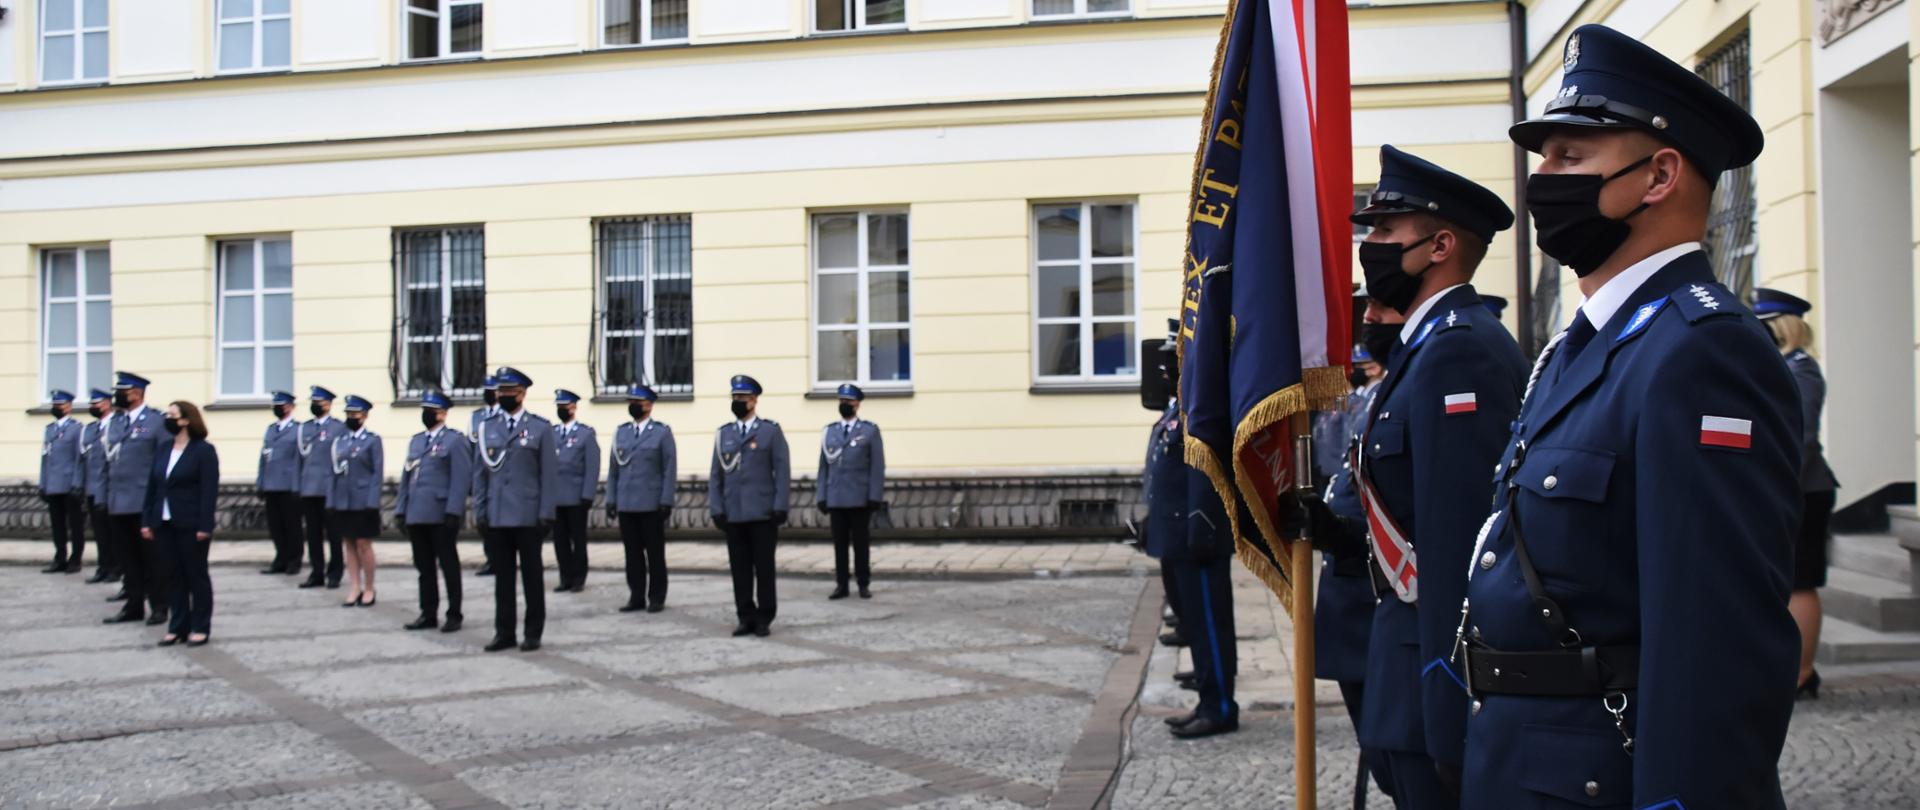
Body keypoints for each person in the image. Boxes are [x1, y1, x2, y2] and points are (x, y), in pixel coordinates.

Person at [1460, 25, 1802, 809]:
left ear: (1660, 175)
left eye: (1570, 156)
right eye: (1544, 157)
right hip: (1521, 763)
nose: (1543, 178)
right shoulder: (1580, 347)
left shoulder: (1703, 350)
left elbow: (1717, 640)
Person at [1294, 145, 1528, 807]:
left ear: (1439, 246)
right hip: (1400, 647)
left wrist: (1448, 696)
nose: (1368, 247)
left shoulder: (1460, 351)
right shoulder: (1425, 348)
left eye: (1384, 231)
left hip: (1434, 665)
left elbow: (1460, 544)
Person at [1302, 294, 1408, 808]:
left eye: (1386, 310)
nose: (1370, 321)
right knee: (1381, 751)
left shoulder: (1394, 393)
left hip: (1378, 586)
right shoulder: (1370, 398)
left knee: (1399, 763)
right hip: (1351, 583)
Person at [1754, 287, 1840, 700]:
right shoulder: (1783, 367)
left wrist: (1775, 486)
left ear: (1782, 328)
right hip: (1789, 487)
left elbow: (1799, 438)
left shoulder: (1802, 370)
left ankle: (1802, 675)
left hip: (1803, 488)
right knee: (1786, 581)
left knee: (1800, 582)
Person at [474, 366, 560, 652]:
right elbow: (480, 474)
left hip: (528, 515)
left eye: (509, 392)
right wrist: (480, 510)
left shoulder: (540, 428)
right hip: (498, 514)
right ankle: (504, 632)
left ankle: (533, 632)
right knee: (503, 580)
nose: (503, 397)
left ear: (522, 394)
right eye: (501, 392)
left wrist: (546, 513)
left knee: (532, 578)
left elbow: (548, 475)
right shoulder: (487, 427)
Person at [710, 374, 790, 638]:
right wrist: (716, 508)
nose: (737, 402)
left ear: (754, 400)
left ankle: (765, 617)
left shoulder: (770, 432)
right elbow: (716, 475)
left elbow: (782, 471)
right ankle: (745, 616)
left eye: (742, 398)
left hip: (762, 513)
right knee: (740, 569)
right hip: (734, 513)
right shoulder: (724, 434)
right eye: (734, 397)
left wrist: (780, 506)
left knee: (764, 569)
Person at [142, 401, 219, 647]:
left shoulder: (203, 451)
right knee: (173, 576)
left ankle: (200, 627)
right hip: (163, 523)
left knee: (196, 576)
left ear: (186, 420)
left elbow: (209, 492)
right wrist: (147, 520)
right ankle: (177, 627)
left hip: (191, 523)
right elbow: (153, 488)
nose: (168, 418)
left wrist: (205, 526)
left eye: (172, 415)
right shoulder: (164, 448)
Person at [396, 391, 473, 633]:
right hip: (417, 512)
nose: (426, 415)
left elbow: (461, 479)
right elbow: (406, 477)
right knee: (424, 567)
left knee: (449, 566)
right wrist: (401, 510)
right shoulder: (416, 441)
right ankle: (428, 612)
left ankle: (454, 613)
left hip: (441, 514)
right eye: (425, 410)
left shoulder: (454, 441)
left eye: (431, 411)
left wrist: (454, 511)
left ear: (443, 414)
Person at [102, 372, 173, 626]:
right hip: (118, 501)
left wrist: (161, 501)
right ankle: (133, 605)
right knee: (127, 559)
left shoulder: (156, 421)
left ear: (136, 393)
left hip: (144, 502)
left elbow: (164, 464)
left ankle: (159, 606)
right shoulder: (116, 422)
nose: (118, 396)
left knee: (152, 559)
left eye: (122, 391)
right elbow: (108, 462)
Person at [607, 383, 677, 613]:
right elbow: (614, 470)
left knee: (655, 554)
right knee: (632, 554)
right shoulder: (621, 432)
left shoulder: (661, 433)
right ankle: (636, 595)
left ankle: (657, 596)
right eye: (631, 402)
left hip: (650, 504)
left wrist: (666, 500)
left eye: (637, 402)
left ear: (649, 405)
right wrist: (611, 499)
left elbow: (669, 469)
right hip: (626, 503)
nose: (633, 406)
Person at [816, 383, 885, 600]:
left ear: (857, 404)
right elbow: (823, 467)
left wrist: (874, 496)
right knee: (840, 545)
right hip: (836, 497)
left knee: (861, 544)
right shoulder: (830, 431)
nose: (844, 404)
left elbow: (877, 466)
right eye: (842, 401)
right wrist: (822, 496)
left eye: (848, 401)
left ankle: (863, 583)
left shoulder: (869, 431)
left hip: (859, 498)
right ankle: (841, 584)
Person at [329, 396, 384, 607]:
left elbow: (376, 473)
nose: (351, 418)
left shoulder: (372, 440)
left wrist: (373, 502)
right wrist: (331, 500)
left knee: (363, 543)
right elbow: (333, 472)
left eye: (355, 414)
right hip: (344, 500)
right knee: (349, 544)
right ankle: (354, 587)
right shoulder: (340, 442)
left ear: (364, 416)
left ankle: (369, 587)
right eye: (349, 414)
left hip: (363, 500)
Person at [550, 389, 601, 593]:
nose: (562, 410)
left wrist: (587, 494)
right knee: (560, 541)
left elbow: (592, 467)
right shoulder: (552, 433)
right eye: (559, 407)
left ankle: (579, 577)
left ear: (573, 408)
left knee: (578, 540)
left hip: (576, 496)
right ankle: (565, 577)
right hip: (556, 497)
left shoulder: (585, 434)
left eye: (565, 406)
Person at [295, 386, 346, 589]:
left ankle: (335, 573)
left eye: (319, 403)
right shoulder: (304, 428)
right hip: (309, 488)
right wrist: (297, 487)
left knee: (334, 534)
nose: (315, 406)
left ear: (329, 405)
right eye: (313, 402)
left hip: (329, 489)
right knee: (313, 535)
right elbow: (298, 460)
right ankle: (316, 572)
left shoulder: (338, 428)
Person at [255, 391, 304, 578]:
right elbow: (264, 458)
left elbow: (300, 460)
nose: (277, 409)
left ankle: (294, 560)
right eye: (275, 406)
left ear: (290, 407)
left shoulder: (298, 429)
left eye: (281, 406)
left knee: (292, 526)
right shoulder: (271, 429)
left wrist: (297, 486)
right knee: (275, 526)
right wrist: (261, 482)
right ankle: (280, 558)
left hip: (288, 485)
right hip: (271, 485)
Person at [39, 389, 86, 574]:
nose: (56, 407)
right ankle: (60, 558)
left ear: (68, 407)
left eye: (59, 405)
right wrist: (43, 484)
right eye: (54, 405)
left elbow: (79, 459)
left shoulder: (77, 428)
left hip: (69, 485)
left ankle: (75, 559)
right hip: (53, 484)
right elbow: (45, 458)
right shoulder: (49, 429)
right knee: (57, 525)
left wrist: (77, 483)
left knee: (75, 525)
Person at [80, 389, 119, 585]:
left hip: (111, 489)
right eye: (92, 403)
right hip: (93, 488)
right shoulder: (90, 429)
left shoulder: (117, 425)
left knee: (113, 532)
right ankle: (103, 566)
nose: (94, 407)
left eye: (97, 403)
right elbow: (84, 458)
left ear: (107, 403)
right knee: (100, 532)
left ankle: (116, 568)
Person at [471, 374, 501, 578]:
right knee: (483, 521)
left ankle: (501, 559)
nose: (488, 394)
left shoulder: (503, 416)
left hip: (498, 474)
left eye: (491, 391)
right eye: (486, 391)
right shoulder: (476, 417)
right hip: (481, 475)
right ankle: (491, 559)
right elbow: (471, 447)